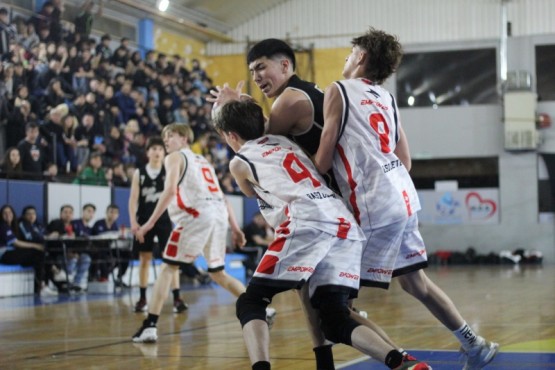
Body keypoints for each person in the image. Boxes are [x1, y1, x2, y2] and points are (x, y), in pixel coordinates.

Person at [313, 28, 499, 370]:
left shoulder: (338, 90)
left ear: (361, 57)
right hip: (403, 197)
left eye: (349, 52)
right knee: (416, 284)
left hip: (374, 203)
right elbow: (407, 160)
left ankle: (400, 361)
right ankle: (475, 344)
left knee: (333, 302)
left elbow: (323, 158)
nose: (345, 58)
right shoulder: (387, 98)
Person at [213, 100, 430, 370]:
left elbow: (247, 191)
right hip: (343, 223)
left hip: (307, 221)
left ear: (231, 136)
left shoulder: (240, 161)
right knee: (335, 318)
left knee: (251, 301)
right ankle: (401, 363)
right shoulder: (286, 142)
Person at [209, 38, 383, 367]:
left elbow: (253, 142)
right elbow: (257, 130)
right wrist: (241, 108)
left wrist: (228, 112)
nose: (257, 76)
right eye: (252, 71)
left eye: (261, 67)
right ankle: (395, 358)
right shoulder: (305, 95)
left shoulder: (284, 105)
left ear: (286, 65)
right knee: (331, 311)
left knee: (256, 302)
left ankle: (459, 336)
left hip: (315, 214)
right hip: (341, 211)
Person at [131, 124, 253, 344]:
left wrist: (149, 224)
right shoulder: (204, 161)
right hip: (218, 216)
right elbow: (223, 197)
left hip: (196, 216)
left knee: (168, 268)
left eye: (171, 136)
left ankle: (150, 326)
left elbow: (169, 191)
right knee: (217, 273)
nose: (166, 141)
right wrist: (234, 227)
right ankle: (258, 307)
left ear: (184, 138)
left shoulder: (175, 157)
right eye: (164, 137)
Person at [128, 136, 187, 313]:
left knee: (171, 260)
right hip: (144, 219)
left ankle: (177, 298)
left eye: (160, 149)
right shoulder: (139, 173)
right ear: (147, 152)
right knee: (144, 259)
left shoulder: (168, 170)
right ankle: (142, 298)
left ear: (164, 152)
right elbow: (132, 200)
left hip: (163, 220)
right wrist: (133, 222)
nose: (157, 152)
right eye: (153, 149)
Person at [0, 204, 57, 296]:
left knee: (40, 257)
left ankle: (44, 285)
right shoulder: (3, 226)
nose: (8, 214)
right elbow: (16, 243)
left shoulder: (14, 226)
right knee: (38, 252)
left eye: (10, 212)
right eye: (5, 213)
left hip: (13, 254)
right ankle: (44, 284)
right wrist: (35, 246)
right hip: (4, 255)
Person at [46, 204, 92, 292]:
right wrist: (67, 252)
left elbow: (78, 241)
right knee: (72, 261)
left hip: (72, 252)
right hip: (58, 253)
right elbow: (52, 241)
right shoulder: (56, 223)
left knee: (86, 258)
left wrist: (76, 252)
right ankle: (66, 283)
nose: (68, 214)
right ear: (60, 214)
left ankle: (77, 283)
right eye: (65, 212)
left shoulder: (75, 225)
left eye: (70, 213)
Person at [91, 204, 130, 286]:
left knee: (126, 254)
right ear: (106, 212)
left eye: (115, 213)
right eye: (111, 212)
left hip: (111, 249)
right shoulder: (99, 223)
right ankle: (103, 277)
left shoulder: (115, 226)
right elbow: (96, 238)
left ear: (118, 215)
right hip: (99, 249)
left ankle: (120, 277)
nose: (113, 214)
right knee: (104, 255)